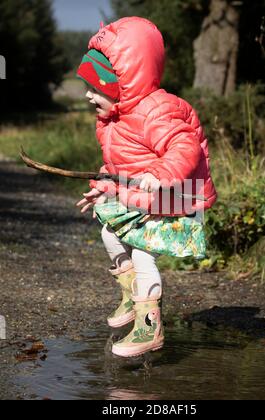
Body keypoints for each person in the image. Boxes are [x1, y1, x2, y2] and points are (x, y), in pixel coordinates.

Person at [76, 16, 217, 358]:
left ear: (122, 85)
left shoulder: (158, 110)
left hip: (173, 198)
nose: (88, 95)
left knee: (141, 253)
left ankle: (149, 324)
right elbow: (116, 168)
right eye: (87, 87)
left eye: (97, 88)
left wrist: (161, 172)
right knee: (109, 231)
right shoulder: (112, 121)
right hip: (141, 199)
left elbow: (185, 147)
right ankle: (131, 293)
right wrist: (102, 187)